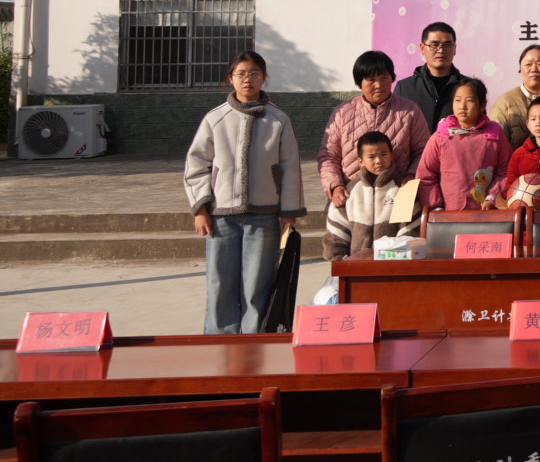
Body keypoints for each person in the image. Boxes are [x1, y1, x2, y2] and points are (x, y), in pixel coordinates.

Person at [183, 51, 305, 335]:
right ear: (231, 78)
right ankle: (219, 340)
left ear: (264, 78)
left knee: (257, 285)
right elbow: (196, 164)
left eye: (254, 73)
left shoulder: (278, 120)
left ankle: (254, 339)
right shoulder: (216, 119)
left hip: (264, 218)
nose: (247, 79)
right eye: (241, 74)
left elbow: (290, 169)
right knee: (220, 283)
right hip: (221, 218)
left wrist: (289, 213)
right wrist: (200, 209)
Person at [317, 51, 431, 206]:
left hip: (396, 198)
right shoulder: (342, 113)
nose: (379, 85)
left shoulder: (410, 111)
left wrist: (411, 177)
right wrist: (336, 186)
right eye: (371, 80)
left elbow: (423, 152)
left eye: (384, 78)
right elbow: (329, 156)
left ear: (392, 78)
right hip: (352, 198)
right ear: (359, 83)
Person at [415, 79, 512, 211]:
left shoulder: (495, 136)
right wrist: (436, 208)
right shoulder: (441, 137)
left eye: (469, 100)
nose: (462, 106)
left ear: (482, 105)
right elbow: (426, 176)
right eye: (458, 100)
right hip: (448, 213)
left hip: (486, 213)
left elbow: (505, 171)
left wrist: (492, 197)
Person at [322, 132, 419, 261]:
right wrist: (340, 260)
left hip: (392, 266)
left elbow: (408, 231)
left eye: (383, 155)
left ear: (391, 155)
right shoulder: (350, 192)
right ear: (361, 161)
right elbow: (337, 233)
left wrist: (398, 260)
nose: (378, 161)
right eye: (371, 157)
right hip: (355, 267)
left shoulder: (403, 190)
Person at [394, 22, 467, 132]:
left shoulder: (468, 87)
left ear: (455, 49)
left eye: (447, 45)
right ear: (422, 48)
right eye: (434, 45)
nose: (441, 50)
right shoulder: (405, 88)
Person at [489, 44, 540, 150]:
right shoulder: (505, 103)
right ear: (520, 69)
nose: (534, 69)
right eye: (528, 64)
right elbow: (495, 147)